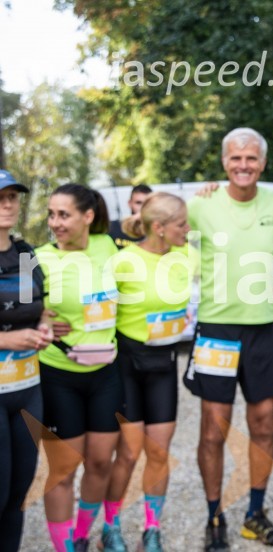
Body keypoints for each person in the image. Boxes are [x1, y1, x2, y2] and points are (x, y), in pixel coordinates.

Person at [184, 127, 273, 551]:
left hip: (264, 328)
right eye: (235, 158)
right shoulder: (201, 205)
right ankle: (215, 514)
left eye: (251, 158)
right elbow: (160, 235)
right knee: (213, 430)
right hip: (216, 329)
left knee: (264, 424)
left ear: (263, 163)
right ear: (223, 162)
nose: (243, 165)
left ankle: (255, 513)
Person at [101, 192, 192, 552]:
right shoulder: (123, 261)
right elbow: (97, 309)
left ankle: (152, 528)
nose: (188, 230)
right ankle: (111, 526)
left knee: (159, 452)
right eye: (182, 224)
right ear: (159, 228)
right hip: (128, 364)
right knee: (128, 453)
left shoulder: (186, 256)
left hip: (165, 364)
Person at [35, 184, 121, 552]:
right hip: (58, 374)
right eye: (51, 214)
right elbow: (17, 312)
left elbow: (154, 227)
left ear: (88, 216)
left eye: (64, 214)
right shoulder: (36, 258)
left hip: (105, 372)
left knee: (101, 462)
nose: (55, 222)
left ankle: (83, 536)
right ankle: (64, 547)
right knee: (64, 469)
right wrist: (38, 319)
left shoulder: (110, 245)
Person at [0, 170, 52, 552]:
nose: (7, 205)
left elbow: (39, 307)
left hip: (27, 389)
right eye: (0, 198)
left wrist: (45, 328)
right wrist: (7, 339)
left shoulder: (24, 253)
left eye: (12, 197)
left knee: (19, 493)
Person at [108, 184, 152, 249]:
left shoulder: (159, 231)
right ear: (130, 203)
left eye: (147, 203)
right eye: (138, 203)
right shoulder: (113, 227)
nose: (143, 207)